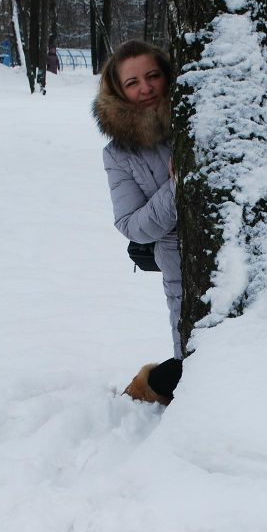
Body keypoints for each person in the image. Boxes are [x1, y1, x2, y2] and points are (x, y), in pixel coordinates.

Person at [92, 38, 183, 404]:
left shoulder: (203, 119)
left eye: (152, 76)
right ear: (119, 92)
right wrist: (178, 186)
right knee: (197, 355)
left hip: (239, 256)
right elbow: (131, 224)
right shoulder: (119, 154)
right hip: (181, 268)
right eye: (132, 83)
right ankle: (152, 387)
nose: (145, 88)